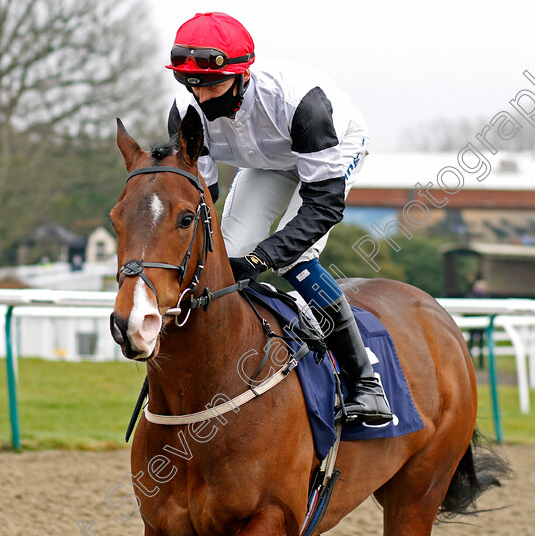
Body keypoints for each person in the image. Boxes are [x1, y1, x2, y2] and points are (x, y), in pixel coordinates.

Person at [165, 12, 391, 425]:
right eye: (192, 85)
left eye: (214, 84)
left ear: (243, 74)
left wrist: (263, 258)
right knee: (226, 257)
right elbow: (199, 199)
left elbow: (323, 206)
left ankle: (367, 385)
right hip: (266, 160)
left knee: (292, 259)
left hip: (331, 147)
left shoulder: (303, 104)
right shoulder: (186, 110)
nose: (203, 98)